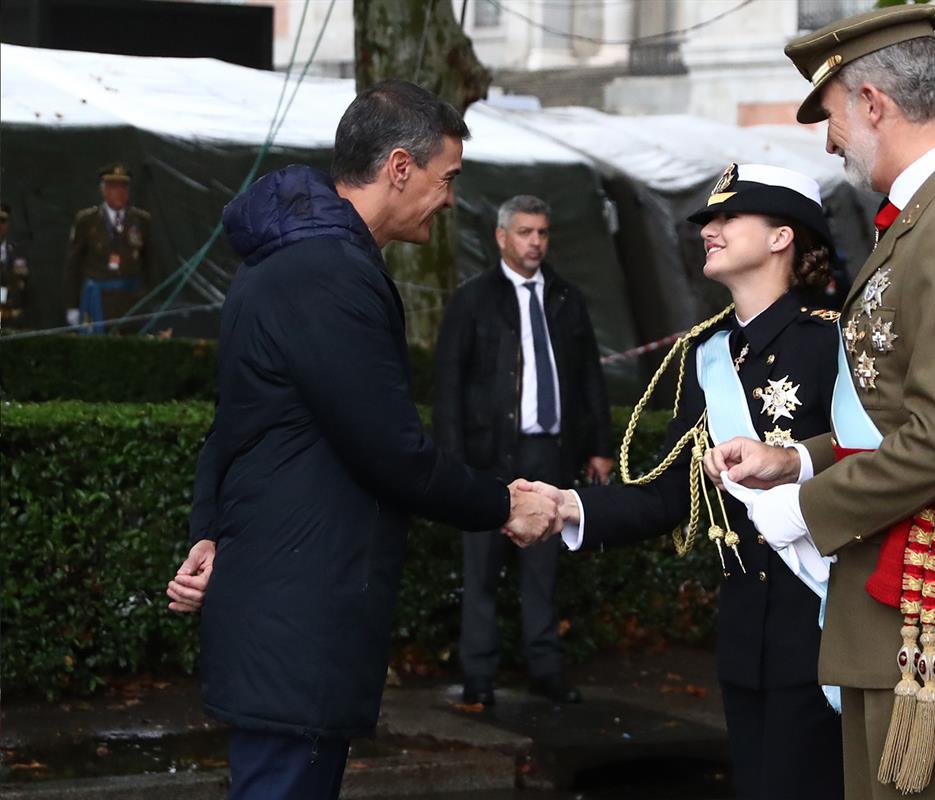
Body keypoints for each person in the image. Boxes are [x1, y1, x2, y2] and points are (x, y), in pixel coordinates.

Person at [703, 7, 935, 799]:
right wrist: (796, 458)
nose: (830, 140)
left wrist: (804, 505)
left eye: (833, 115)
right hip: (906, 593)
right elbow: (899, 417)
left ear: (874, 103)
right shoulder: (929, 219)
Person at [164, 81, 560, 800]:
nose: (449, 201)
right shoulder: (329, 274)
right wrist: (502, 502)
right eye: (448, 180)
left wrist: (209, 531)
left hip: (285, 603)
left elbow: (239, 427)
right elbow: (390, 450)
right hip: (301, 613)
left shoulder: (288, 261)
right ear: (401, 168)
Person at [523, 164, 845, 799]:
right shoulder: (709, 356)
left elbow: (880, 459)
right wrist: (568, 507)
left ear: (783, 236)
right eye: (707, 221)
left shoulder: (834, 340)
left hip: (825, 621)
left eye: (728, 218)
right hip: (745, 629)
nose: (710, 230)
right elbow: (670, 494)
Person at [434, 194, 613, 706]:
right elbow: (447, 387)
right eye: (525, 232)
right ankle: (479, 676)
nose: (535, 242)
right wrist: (451, 462)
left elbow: (589, 378)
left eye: (542, 232)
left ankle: (545, 669)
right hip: (488, 458)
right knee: (482, 570)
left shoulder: (565, 298)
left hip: (550, 455)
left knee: (544, 570)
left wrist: (599, 444)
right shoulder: (472, 300)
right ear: (501, 236)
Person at [64, 164, 154, 334]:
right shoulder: (87, 221)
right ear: (103, 190)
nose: (119, 192)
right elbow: (73, 266)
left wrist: (146, 298)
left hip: (130, 301)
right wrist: (72, 306)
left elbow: (149, 263)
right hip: (98, 300)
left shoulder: (141, 220)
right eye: (113, 187)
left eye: (123, 187)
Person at [0, 203, 31, 326]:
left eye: (2, 221)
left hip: (9, 316)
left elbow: (21, 283)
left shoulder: (16, 251)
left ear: (7, 224)